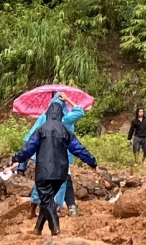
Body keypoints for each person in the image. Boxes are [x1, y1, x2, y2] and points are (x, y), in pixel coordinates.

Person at [8, 101, 97, 236]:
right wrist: (92, 162)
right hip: (61, 173)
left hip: (44, 172)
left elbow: (28, 149)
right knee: (47, 200)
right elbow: (78, 149)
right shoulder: (65, 130)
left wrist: (16, 159)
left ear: (48, 114)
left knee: (46, 200)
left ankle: (55, 228)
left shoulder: (41, 129)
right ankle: (37, 229)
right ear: (61, 114)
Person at [25, 95, 86, 216]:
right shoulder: (65, 119)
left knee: (41, 183)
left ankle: (32, 209)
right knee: (60, 183)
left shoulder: (43, 118)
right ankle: (55, 210)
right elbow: (79, 111)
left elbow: (30, 137)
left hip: (43, 156)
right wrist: (68, 99)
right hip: (60, 157)